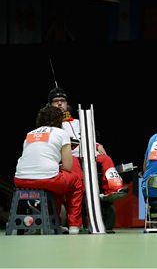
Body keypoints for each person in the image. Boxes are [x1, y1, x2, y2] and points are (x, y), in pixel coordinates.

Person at [48, 87, 127, 202]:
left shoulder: (78, 121)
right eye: (56, 101)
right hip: (68, 156)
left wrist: (97, 145)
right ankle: (80, 196)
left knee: (106, 159)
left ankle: (113, 190)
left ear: (67, 104)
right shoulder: (50, 123)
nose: (60, 103)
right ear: (50, 105)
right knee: (74, 167)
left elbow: (87, 137)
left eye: (62, 100)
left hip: (87, 153)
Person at [13, 105, 84, 234]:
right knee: (76, 181)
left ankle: (53, 223)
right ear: (59, 120)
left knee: (56, 180)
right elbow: (68, 167)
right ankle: (74, 225)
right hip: (47, 179)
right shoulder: (62, 133)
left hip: (20, 179)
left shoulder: (29, 134)